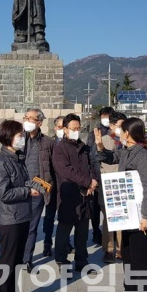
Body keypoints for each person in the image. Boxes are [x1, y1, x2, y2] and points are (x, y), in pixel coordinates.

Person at [95, 117, 147, 292]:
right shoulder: (127, 152)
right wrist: (99, 145)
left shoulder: (144, 157)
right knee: (129, 256)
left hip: (142, 217)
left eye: (121, 130)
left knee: (140, 260)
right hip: (129, 216)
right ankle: (131, 291)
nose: (118, 133)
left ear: (128, 134)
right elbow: (110, 157)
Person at [0, 120, 41, 292]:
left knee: (18, 261)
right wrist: (28, 191)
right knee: (7, 262)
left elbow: (21, 182)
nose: (23, 138)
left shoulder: (17, 159)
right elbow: (4, 193)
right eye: (19, 135)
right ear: (8, 137)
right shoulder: (0, 163)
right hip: (10, 218)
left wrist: (33, 185)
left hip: (22, 215)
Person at [52, 113, 99, 274]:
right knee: (64, 231)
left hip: (85, 196)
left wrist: (93, 180)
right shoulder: (60, 149)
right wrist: (87, 182)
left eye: (78, 128)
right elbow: (66, 171)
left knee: (82, 232)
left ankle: (82, 260)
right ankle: (61, 259)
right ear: (65, 129)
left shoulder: (84, 147)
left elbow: (91, 166)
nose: (76, 131)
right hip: (68, 196)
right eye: (73, 129)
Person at [20, 108, 55, 272]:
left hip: (37, 191)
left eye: (31, 119)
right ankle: (16, 255)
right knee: (16, 226)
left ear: (39, 123)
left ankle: (27, 258)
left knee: (31, 227)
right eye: (25, 117)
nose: (27, 121)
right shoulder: (17, 138)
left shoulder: (48, 142)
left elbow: (53, 168)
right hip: (18, 190)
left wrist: (45, 188)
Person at [97, 111, 126, 264]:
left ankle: (121, 249)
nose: (122, 129)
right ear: (112, 125)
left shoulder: (128, 141)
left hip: (124, 185)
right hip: (108, 184)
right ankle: (108, 249)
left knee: (122, 218)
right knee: (109, 220)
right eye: (120, 126)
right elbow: (99, 162)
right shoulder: (103, 140)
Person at [86, 106, 115, 245]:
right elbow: (90, 155)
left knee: (110, 209)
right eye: (103, 115)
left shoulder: (115, 133)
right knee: (95, 209)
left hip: (112, 175)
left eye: (108, 116)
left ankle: (111, 235)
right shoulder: (94, 133)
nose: (106, 118)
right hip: (97, 174)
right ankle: (97, 233)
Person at [41, 115, 64, 257]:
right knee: (49, 216)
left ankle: (65, 242)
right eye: (59, 127)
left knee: (65, 216)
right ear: (55, 127)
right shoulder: (49, 143)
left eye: (64, 127)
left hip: (66, 186)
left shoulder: (73, 143)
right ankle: (47, 243)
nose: (61, 130)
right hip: (52, 185)